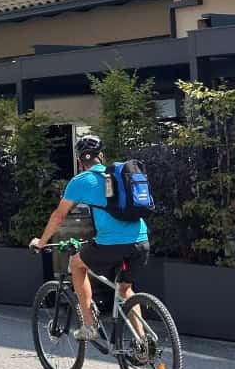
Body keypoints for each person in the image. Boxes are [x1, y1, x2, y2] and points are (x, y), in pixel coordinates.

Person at [30, 135, 149, 340]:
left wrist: (41, 242)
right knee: (125, 289)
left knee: (77, 264)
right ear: (101, 156)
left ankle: (89, 326)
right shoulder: (120, 176)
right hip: (141, 241)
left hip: (111, 243)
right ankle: (144, 343)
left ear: (79, 161)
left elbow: (59, 216)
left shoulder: (80, 181)